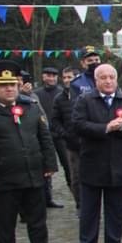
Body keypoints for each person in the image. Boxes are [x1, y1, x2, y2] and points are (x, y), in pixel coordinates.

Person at [0, 60, 64, 243]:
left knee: (38, 222)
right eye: (3, 85)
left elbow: (45, 138)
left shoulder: (30, 107)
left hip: (34, 176)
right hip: (4, 179)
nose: (9, 88)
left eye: (12, 83)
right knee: (6, 224)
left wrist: (50, 165)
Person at [71, 64, 122, 243]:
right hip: (92, 165)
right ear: (96, 81)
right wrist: (105, 128)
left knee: (115, 210)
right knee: (89, 212)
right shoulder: (85, 100)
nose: (108, 81)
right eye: (103, 77)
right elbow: (77, 125)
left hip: (118, 166)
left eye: (111, 77)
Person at [34, 66, 68, 209]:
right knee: (45, 168)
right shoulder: (36, 94)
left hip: (59, 135)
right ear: (43, 77)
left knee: (68, 165)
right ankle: (46, 198)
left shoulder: (62, 93)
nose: (51, 78)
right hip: (42, 136)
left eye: (54, 76)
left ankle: (78, 197)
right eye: (48, 75)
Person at [49, 67, 80, 208]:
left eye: (70, 77)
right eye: (65, 77)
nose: (67, 80)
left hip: (90, 141)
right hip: (71, 143)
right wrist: (65, 134)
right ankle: (80, 205)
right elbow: (54, 120)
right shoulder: (60, 98)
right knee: (75, 176)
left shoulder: (86, 94)